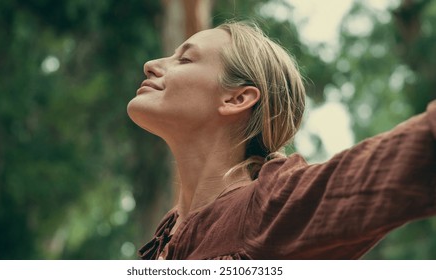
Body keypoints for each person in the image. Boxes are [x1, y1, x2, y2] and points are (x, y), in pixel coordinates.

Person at [127, 21, 436, 260]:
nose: (151, 64)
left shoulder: (272, 206)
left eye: (185, 60)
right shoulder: (165, 235)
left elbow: (396, 161)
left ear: (237, 98)